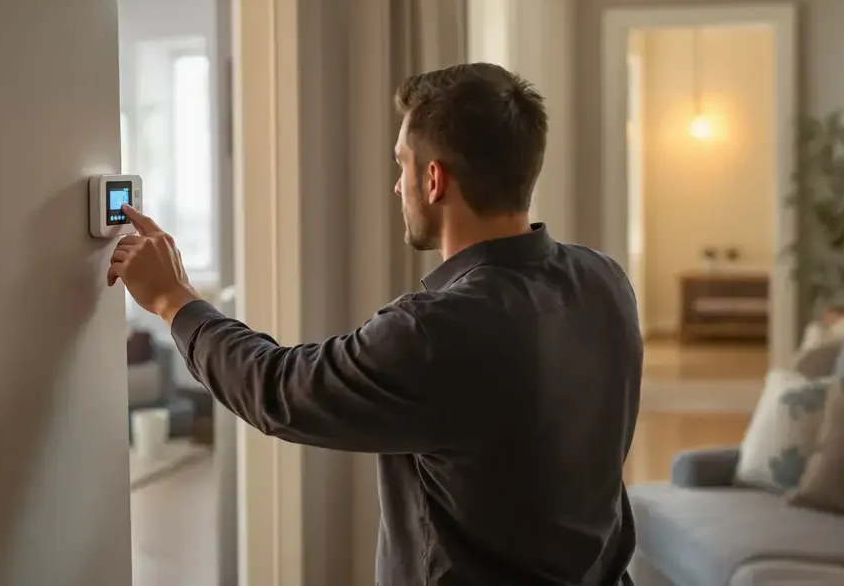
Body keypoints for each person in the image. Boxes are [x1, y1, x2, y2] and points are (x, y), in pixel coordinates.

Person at [108, 62, 643, 586]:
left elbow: (278, 388)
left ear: (434, 180)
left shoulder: (440, 330)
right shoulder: (604, 279)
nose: (396, 186)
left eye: (401, 164)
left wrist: (172, 300)